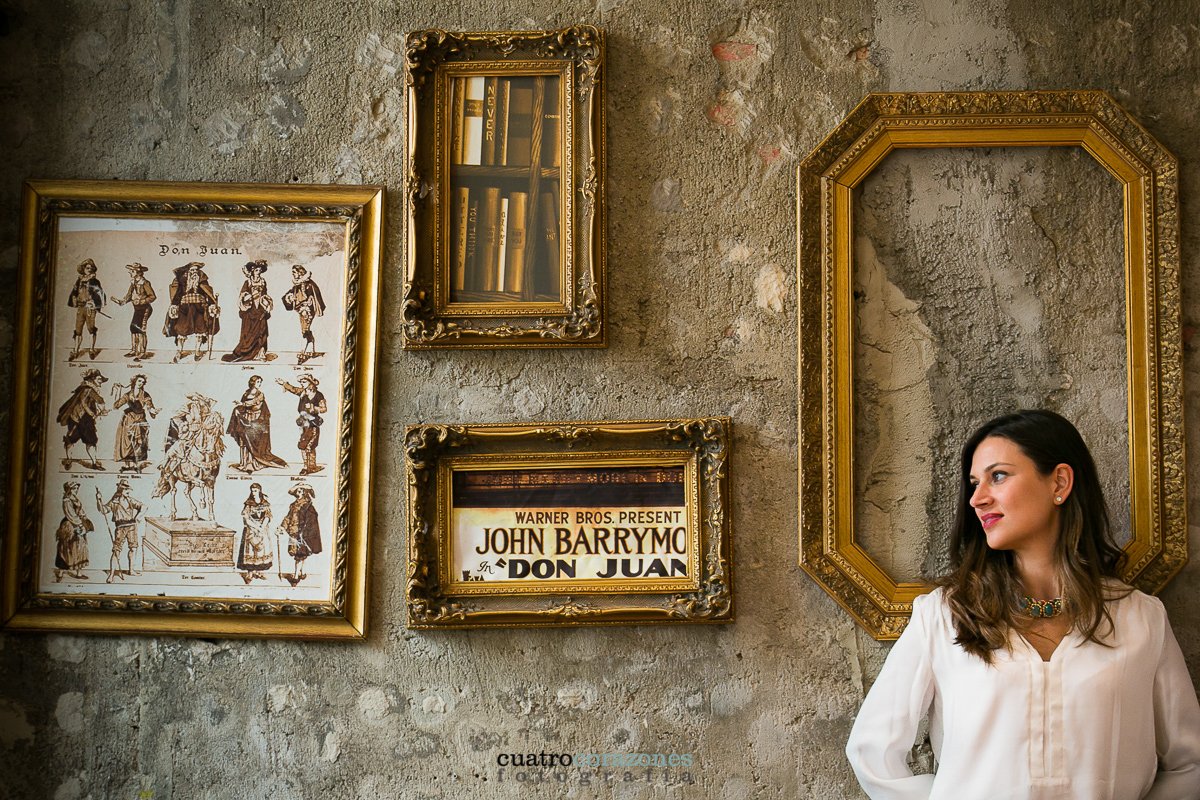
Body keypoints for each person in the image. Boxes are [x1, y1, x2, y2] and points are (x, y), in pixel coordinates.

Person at [846, 410, 1200, 799]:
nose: (977, 498)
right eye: (974, 483)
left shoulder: (1139, 618)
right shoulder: (943, 616)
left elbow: (1189, 763)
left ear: (1059, 482)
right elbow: (872, 753)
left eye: (998, 476)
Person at [226, 375, 288, 473]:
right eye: (258, 382)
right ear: (253, 383)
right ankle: (245, 463)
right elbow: (243, 408)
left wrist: (243, 404)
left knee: (254, 440)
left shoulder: (260, 394)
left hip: (256, 419)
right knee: (244, 440)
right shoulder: (246, 393)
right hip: (246, 418)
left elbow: (255, 405)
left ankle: (254, 463)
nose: (259, 384)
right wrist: (237, 409)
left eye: (260, 382)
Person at [164, 261, 219, 362]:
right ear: (188, 271)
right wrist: (174, 305)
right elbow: (177, 295)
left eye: (196, 270)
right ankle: (179, 351)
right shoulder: (183, 282)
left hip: (200, 309)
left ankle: (197, 351)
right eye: (192, 270)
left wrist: (212, 305)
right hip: (185, 309)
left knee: (200, 330)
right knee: (181, 330)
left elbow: (208, 294)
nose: (195, 272)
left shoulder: (202, 281)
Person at [222, 259, 276, 363]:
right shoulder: (247, 282)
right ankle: (245, 352)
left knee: (262, 331)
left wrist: (266, 302)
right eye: (256, 270)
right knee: (248, 332)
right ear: (252, 271)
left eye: (260, 270)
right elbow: (243, 294)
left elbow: (265, 293)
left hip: (260, 309)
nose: (258, 272)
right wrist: (248, 297)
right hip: (250, 310)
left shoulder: (263, 281)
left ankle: (260, 354)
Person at [56, 368, 109, 470]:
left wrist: (99, 411)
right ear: (92, 379)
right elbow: (84, 402)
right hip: (77, 419)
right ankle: (69, 460)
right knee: (71, 440)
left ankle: (94, 463)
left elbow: (96, 402)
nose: (101, 381)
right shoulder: (87, 389)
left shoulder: (90, 389)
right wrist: (92, 413)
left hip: (86, 420)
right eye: (99, 379)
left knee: (91, 441)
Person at [276, 374, 326, 475]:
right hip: (303, 422)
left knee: (311, 444)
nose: (301, 384)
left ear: (310, 383)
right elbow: (294, 389)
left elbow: (324, 409)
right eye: (301, 382)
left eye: (304, 382)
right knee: (303, 443)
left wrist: (313, 407)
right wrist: (283, 383)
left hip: (313, 422)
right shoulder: (303, 392)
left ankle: (311, 466)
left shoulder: (318, 395)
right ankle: (306, 466)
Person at [95, 479, 143, 583]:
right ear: (121, 489)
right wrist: (98, 500)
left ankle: (131, 570)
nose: (128, 491)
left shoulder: (130, 500)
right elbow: (103, 510)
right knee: (116, 551)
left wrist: (138, 516)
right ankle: (111, 575)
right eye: (126, 489)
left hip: (132, 526)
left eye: (128, 489)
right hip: (120, 527)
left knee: (133, 548)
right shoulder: (114, 502)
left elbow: (143, 506)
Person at [112, 374, 158, 472]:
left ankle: (137, 465)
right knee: (127, 442)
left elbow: (149, 406)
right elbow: (116, 406)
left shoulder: (145, 394)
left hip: (140, 420)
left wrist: (153, 411)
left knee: (139, 442)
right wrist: (118, 391)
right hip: (129, 420)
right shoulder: (127, 394)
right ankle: (128, 466)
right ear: (134, 382)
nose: (141, 383)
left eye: (142, 382)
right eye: (139, 381)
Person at [111, 262, 156, 360]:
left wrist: (142, 300)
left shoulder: (145, 283)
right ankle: (135, 350)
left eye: (132, 271)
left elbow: (152, 296)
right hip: (137, 309)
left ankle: (142, 352)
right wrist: (122, 302)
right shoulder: (133, 282)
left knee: (140, 329)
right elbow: (129, 295)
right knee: (133, 328)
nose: (130, 273)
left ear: (138, 272)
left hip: (145, 309)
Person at [281, 264, 325, 363]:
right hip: (301, 309)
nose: (293, 274)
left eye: (294, 272)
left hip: (307, 310)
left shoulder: (308, 284)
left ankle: (303, 353)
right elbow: (289, 294)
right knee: (305, 330)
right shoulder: (298, 284)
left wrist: (307, 303)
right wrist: (289, 297)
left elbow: (313, 297)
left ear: (300, 273)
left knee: (305, 330)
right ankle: (310, 349)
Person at [278, 483, 320, 583]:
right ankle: (302, 572)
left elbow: (311, 520)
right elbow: (288, 518)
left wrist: (304, 531)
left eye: (301, 490)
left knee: (300, 554)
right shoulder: (293, 505)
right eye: (297, 491)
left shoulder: (308, 505)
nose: (298, 492)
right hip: (293, 532)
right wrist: (281, 527)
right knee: (298, 553)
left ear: (304, 492)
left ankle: (296, 576)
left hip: (302, 534)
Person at [67, 258, 106, 360]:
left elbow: (100, 295)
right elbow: (74, 293)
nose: (89, 269)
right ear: (83, 269)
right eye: (87, 268)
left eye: (91, 268)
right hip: (80, 308)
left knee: (91, 329)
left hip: (90, 309)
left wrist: (94, 303)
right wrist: (75, 300)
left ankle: (91, 350)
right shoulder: (79, 280)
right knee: (78, 330)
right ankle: (75, 350)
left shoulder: (94, 281)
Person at [53, 481, 92, 581]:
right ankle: (61, 573)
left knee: (80, 547)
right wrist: (79, 524)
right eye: (74, 488)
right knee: (66, 548)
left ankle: (79, 573)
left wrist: (85, 518)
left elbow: (80, 511)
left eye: (77, 488)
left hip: (78, 523)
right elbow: (70, 514)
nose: (76, 490)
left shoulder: (75, 499)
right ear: (69, 489)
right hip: (70, 525)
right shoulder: (67, 500)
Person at [236, 483, 273, 583]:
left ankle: (258, 571)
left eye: (255, 490)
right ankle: (250, 573)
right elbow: (246, 519)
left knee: (261, 550)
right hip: (251, 529)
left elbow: (268, 517)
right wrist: (256, 527)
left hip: (263, 530)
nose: (254, 492)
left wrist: (262, 527)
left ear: (259, 491)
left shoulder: (265, 503)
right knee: (251, 551)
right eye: (252, 491)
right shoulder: (248, 504)